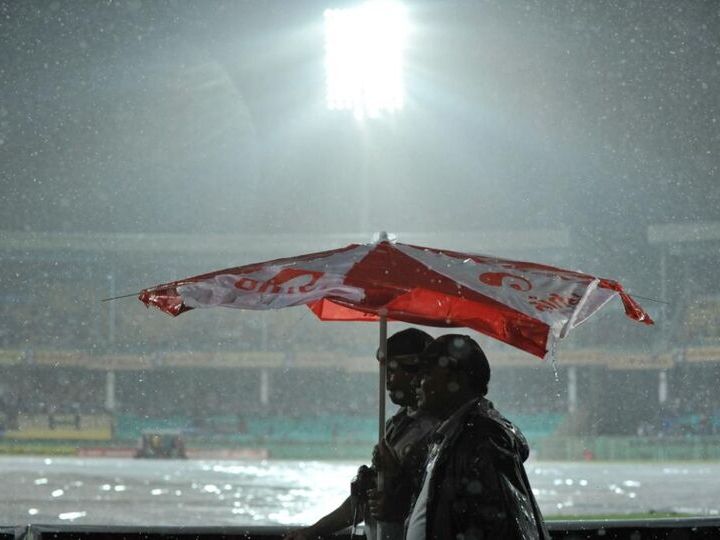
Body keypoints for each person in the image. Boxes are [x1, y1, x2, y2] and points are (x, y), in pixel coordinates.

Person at [283, 328, 438, 540]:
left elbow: (434, 506)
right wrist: (312, 532)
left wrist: (397, 488)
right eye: (385, 372)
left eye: (393, 371)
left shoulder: (441, 431)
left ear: (417, 372)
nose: (388, 381)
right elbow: (364, 501)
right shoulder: (397, 425)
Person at [404, 334, 550, 540]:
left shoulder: (482, 440)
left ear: (457, 378)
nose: (416, 383)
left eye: (426, 373)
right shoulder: (453, 436)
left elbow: (501, 529)